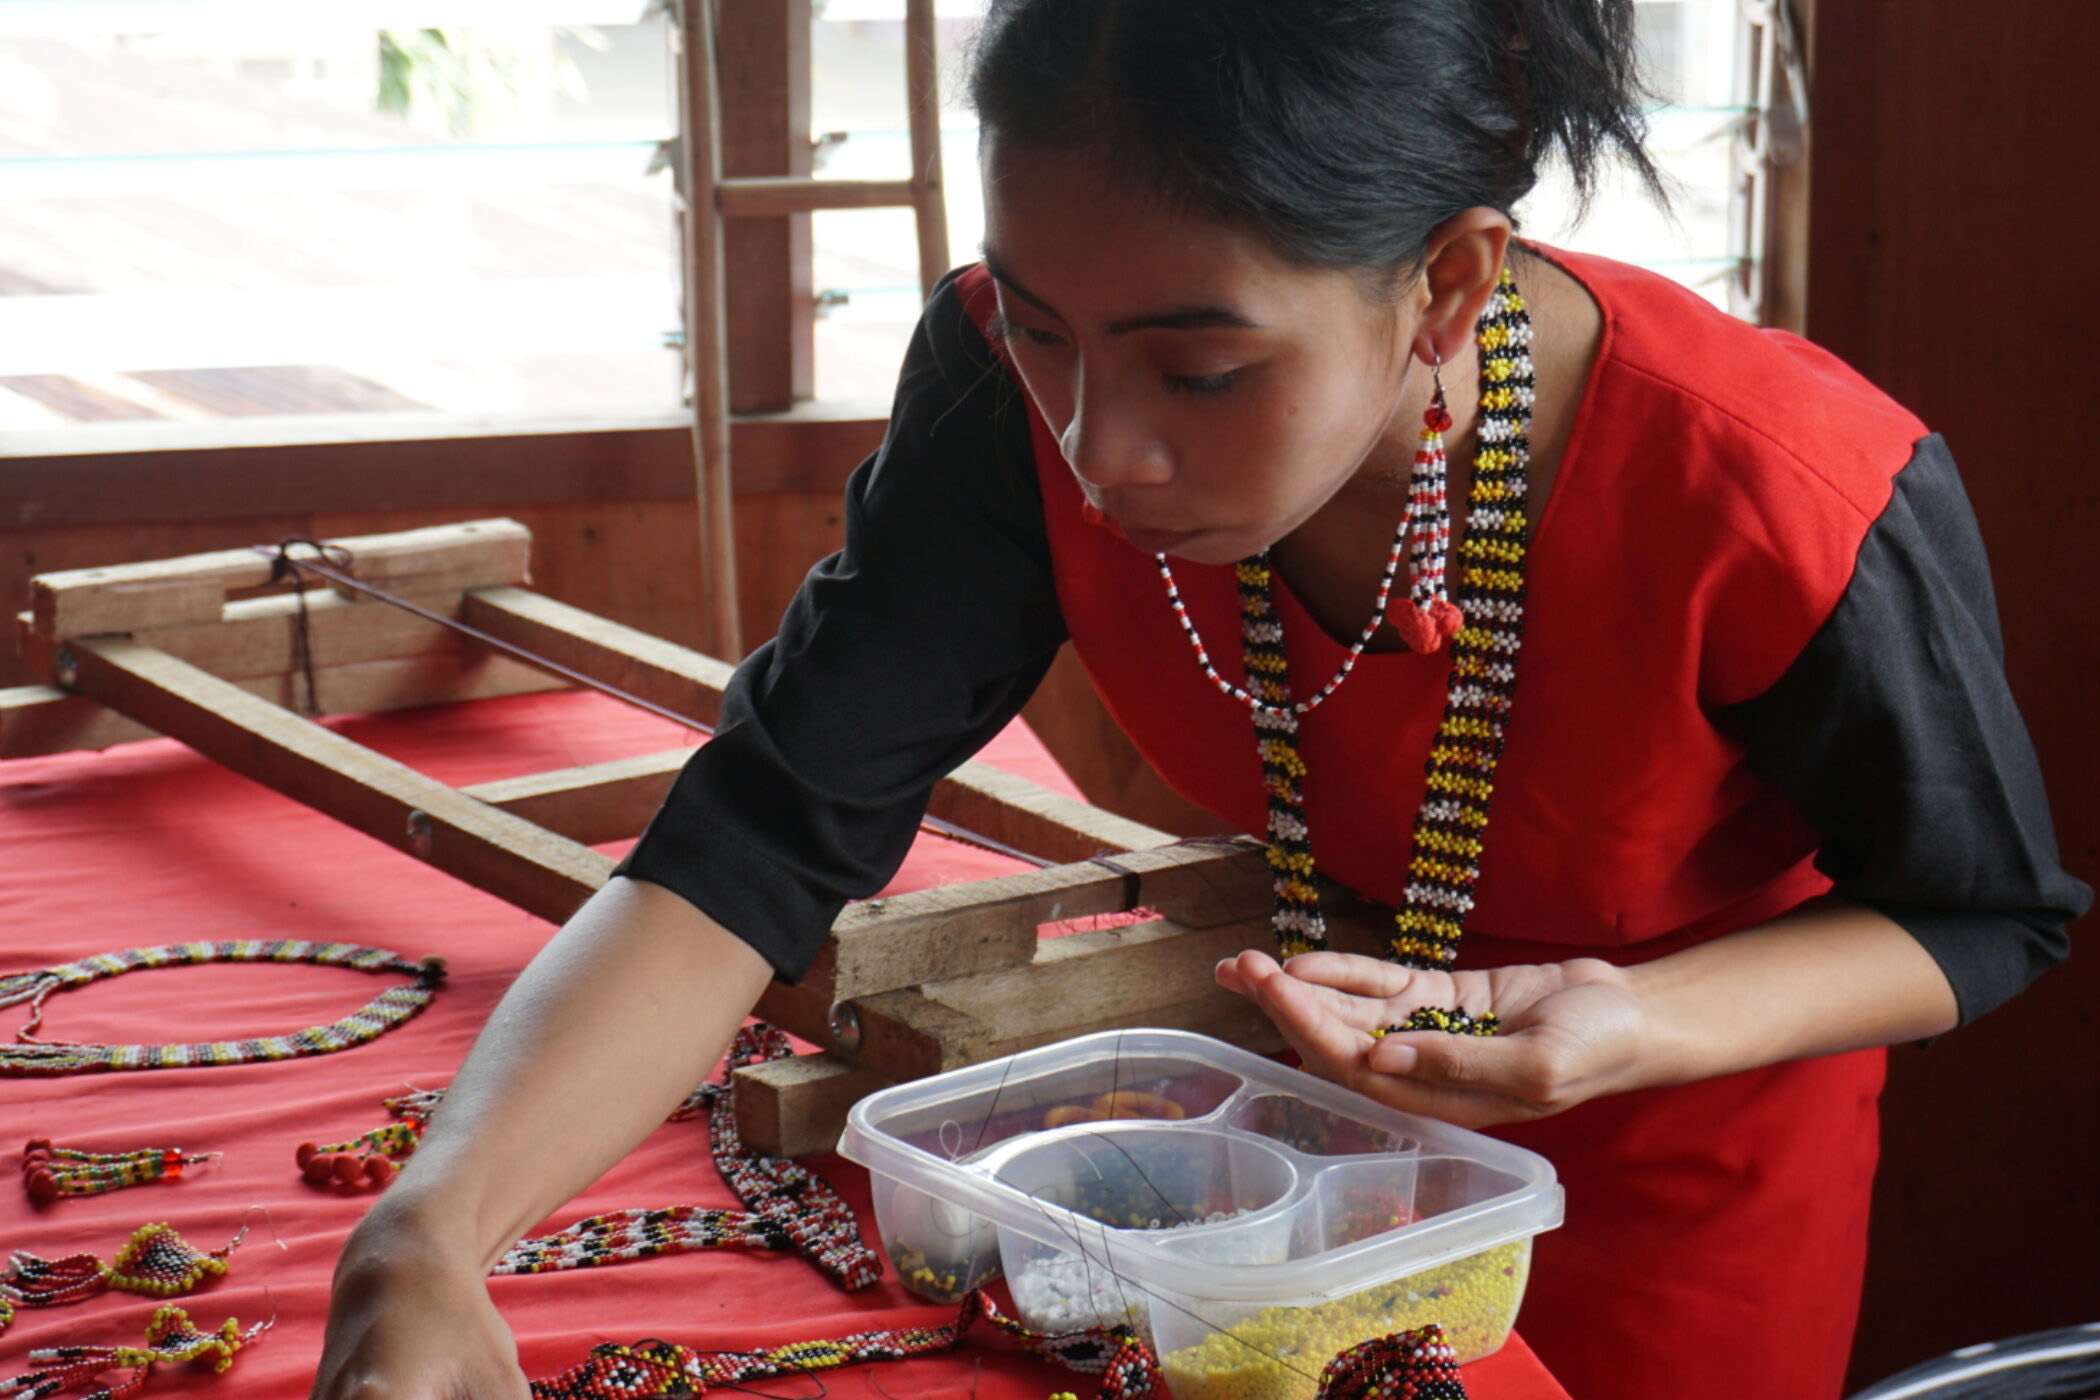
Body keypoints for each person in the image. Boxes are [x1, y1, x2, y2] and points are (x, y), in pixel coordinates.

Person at [307, 2, 2089, 1398]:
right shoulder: (1013, 408)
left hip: (1674, 1165)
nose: (1100, 448)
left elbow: (1982, 909)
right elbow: (760, 836)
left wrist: (1636, 1023)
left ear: (1446, 284)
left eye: (1204, 366)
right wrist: (431, 1231)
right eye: (1040, 324)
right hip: (1275, 1161)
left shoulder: (1772, 489)